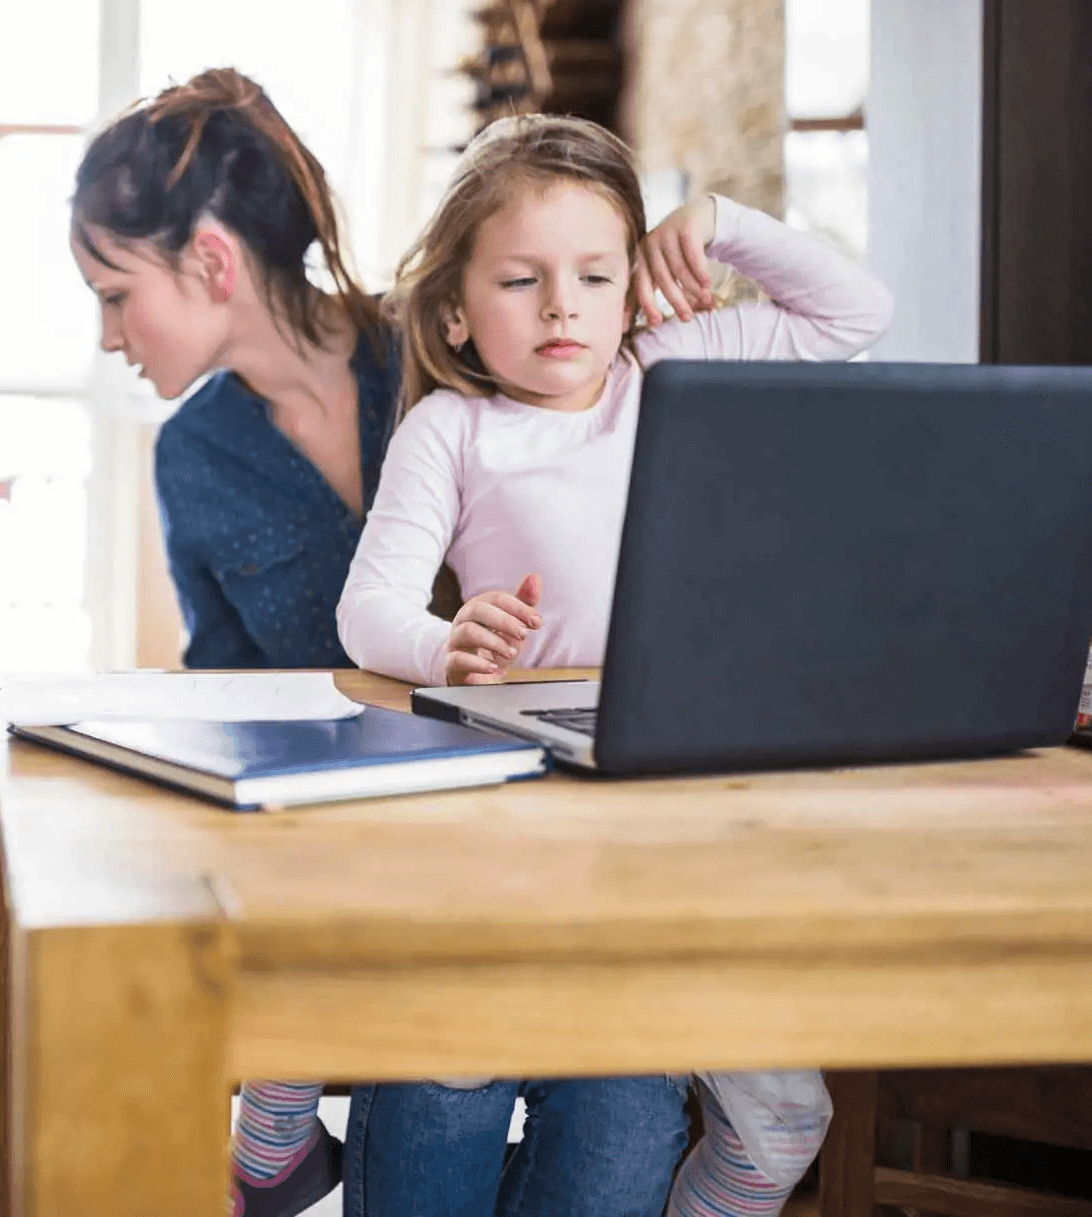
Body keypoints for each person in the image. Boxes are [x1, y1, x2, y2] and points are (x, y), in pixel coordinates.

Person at [336, 113, 892, 1215]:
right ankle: (277, 1105)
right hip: (519, 800)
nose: (562, 306)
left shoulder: (670, 364)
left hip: (671, 796)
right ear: (454, 306)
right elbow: (368, 611)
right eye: (522, 278)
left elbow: (853, 313)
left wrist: (719, 227)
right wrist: (444, 642)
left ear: (635, 286)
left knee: (765, 1113)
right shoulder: (453, 427)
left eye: (596, 274)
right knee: (444, 1048)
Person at [70, 66, 394, 1217]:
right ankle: (273, 1134)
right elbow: (229, 696)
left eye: (116, 293)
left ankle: (272, 1142)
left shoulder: (436, 356)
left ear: (210, 260)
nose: (108, 333)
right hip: (342, 833)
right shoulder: (192, 456)